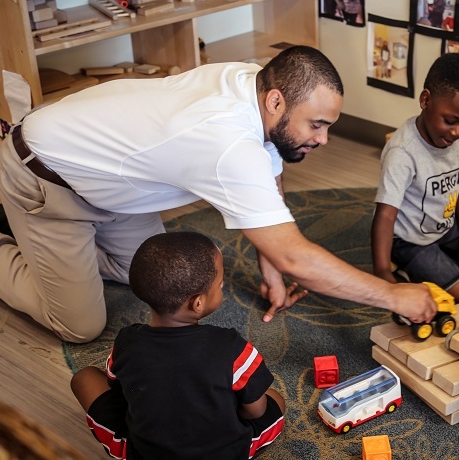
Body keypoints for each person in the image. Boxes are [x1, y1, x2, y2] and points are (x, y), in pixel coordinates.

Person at [0, 45, 436, 343]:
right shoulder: (227, 143)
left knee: (152, 280)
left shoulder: (255, 82)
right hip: (45, 178)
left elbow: (268, 178)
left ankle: (56, 254)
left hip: (115, 186)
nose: (323, 139)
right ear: (277, 102)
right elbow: (296, 256)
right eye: (316, 125)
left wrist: (269, 266)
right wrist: (393, 294)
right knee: (80, 325)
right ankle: (11, 236)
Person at [70, 231, 286, 459]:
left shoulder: (127, 342)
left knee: (84, 378)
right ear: (198, 303)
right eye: (220, 284)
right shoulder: (233, 348)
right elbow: (256, 411)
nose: (222, 287)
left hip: (142, 454)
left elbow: (117, 387)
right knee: (275, 399)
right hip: (225, 453)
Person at [371, 53, 459, 303]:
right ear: (425, 100)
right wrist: (381, 272)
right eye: (451, 121)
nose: (458, 132)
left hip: (444, 227)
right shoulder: (402, 153)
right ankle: (404, 268)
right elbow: (385, 214)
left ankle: (442, 262)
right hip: (410, 239)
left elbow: (458, 185)